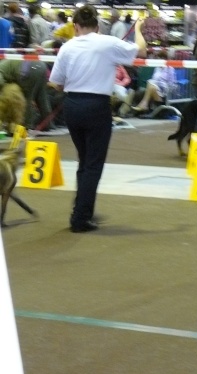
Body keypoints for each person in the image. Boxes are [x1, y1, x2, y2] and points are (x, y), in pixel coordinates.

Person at [48, 4, 146, 233]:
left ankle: (80, 208)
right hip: (96, 107)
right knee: (93, 165)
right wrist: (139, 28)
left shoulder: (67, 47)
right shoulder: (108, 43)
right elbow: (140, 51)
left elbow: (56, 82)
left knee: (84, 161)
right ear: (98, 24)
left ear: (75, 26)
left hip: (72, 106)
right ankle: (80, 218)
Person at [0, 60, 53, 131]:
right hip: (41, 65)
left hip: (27, 71)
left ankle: (26, 126)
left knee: (26, 99)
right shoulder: (5, 63)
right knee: (42, 98)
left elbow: (1, 83)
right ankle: (48, 124)